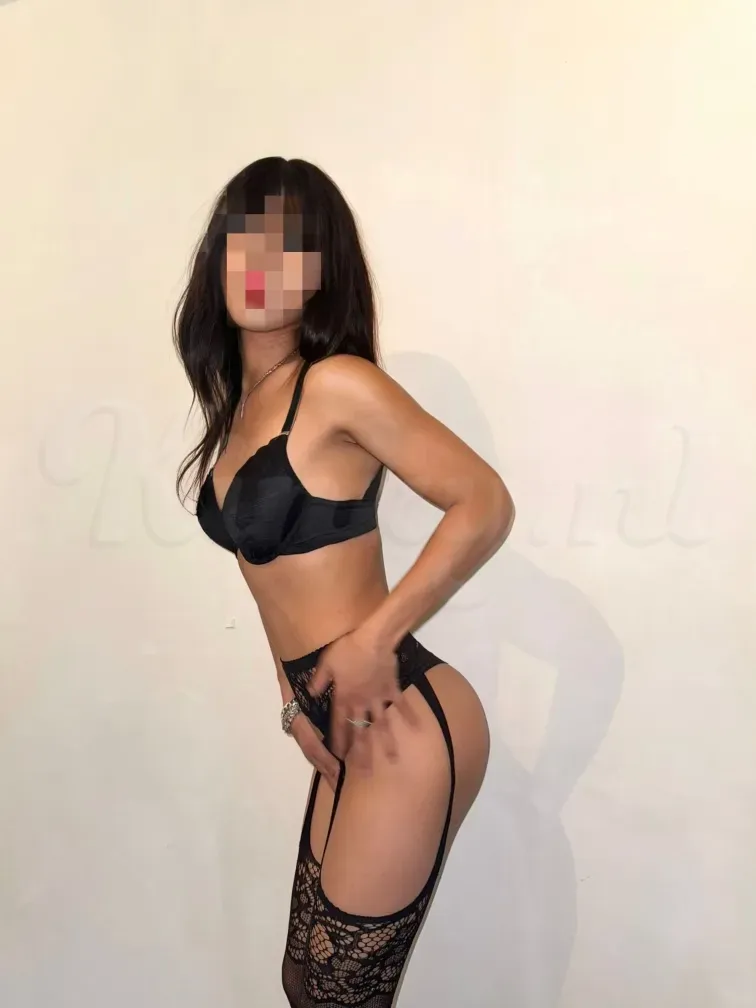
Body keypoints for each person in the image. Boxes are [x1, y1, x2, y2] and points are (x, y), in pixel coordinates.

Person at [174, 156, 515, 1007]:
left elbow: (484, 502)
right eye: (246, 237)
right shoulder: (239, 410)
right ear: (218, 253)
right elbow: (267, 580)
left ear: (324, 272)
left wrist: (373, 638)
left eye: (291, 245)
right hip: (337, 717)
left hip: (402, 713)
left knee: (336, 999)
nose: (263, 262)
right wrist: (290, 704)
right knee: (305, 984)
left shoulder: (335, 386)